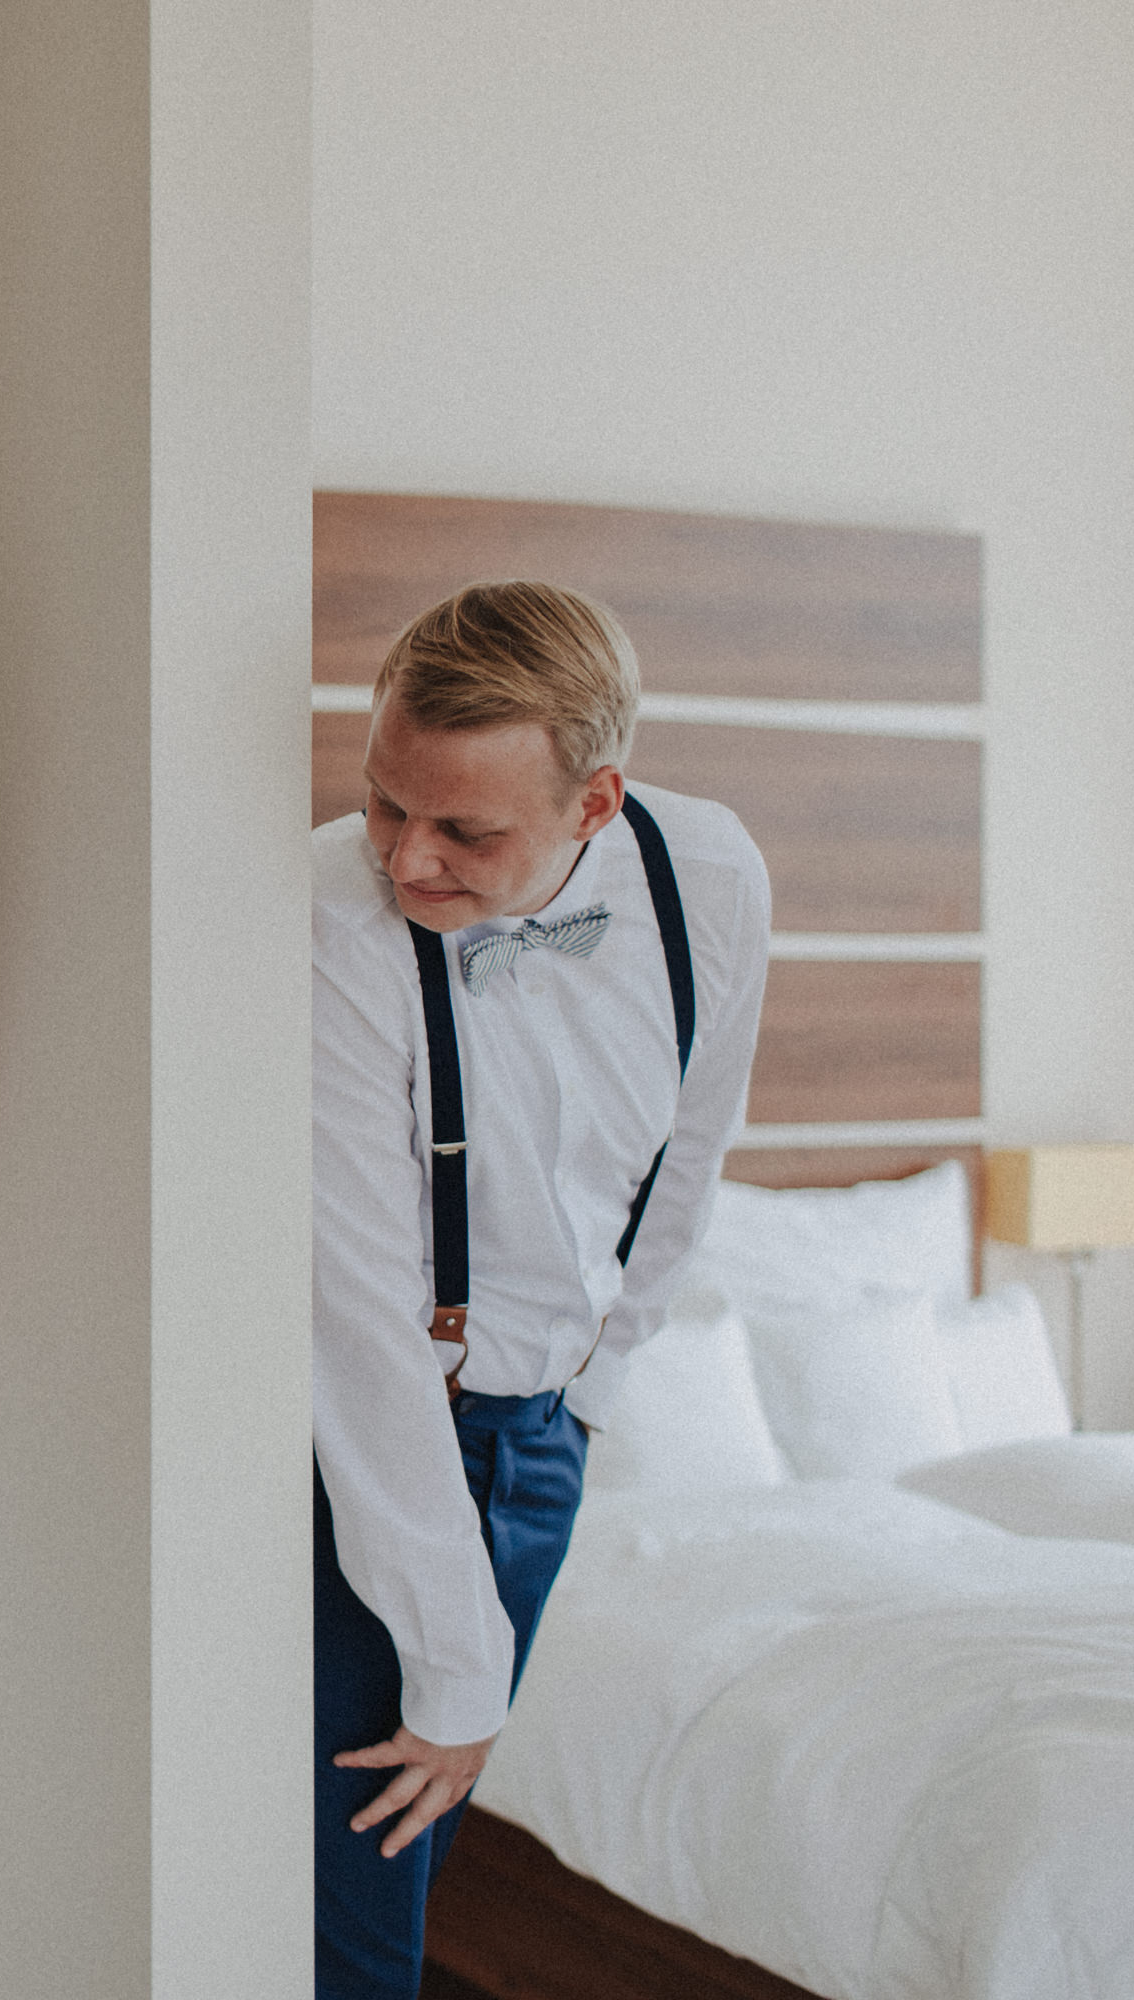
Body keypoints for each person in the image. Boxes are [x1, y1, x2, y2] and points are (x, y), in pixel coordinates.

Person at [311, 582, 770, 1997]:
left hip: (543, 1441)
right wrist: (454, 1666)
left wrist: (592, 1396)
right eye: (388, 804)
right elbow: (359, 1318)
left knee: (407, 1878)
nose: (406, 858)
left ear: (596, 802)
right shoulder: (330, 917)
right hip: (369, 1448)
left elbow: (690, 1163)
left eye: (464, 831)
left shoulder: (709, 877)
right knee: (349, 1928)